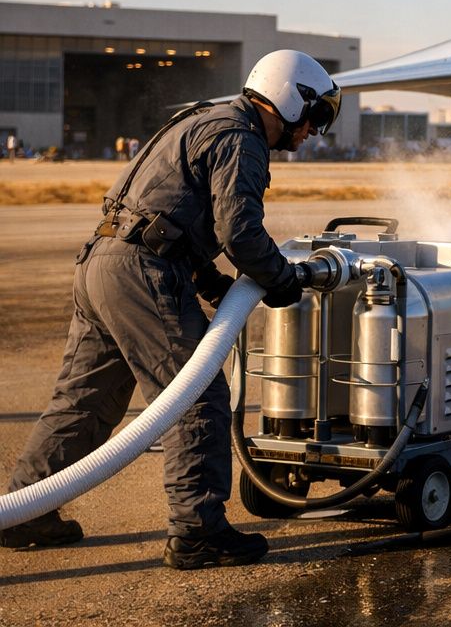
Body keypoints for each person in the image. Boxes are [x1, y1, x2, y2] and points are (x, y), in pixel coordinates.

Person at [1, 50, 341, 570]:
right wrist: (284, 280)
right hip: (141, 272)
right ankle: (198, 531)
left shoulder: (203, 119)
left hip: (103, 264)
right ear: (292, 98)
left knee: (84, 401)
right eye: (315, 117)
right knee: (197, 394)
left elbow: (170, 211)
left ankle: (25, 510)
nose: (312, 132)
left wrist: (207, 280)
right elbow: (241, 232)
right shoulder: (241, 138)